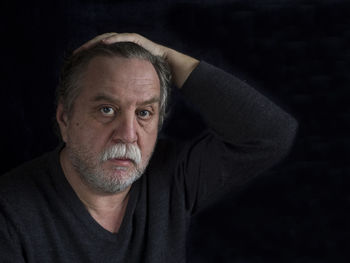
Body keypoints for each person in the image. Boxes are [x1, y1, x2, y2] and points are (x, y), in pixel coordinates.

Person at [0, 33, 298, 262]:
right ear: (65, 119)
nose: (128, 135)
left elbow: (271, 134)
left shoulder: (171, 176)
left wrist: (167, 57)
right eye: (106, 109)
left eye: (144, 113)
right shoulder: (10, 212)